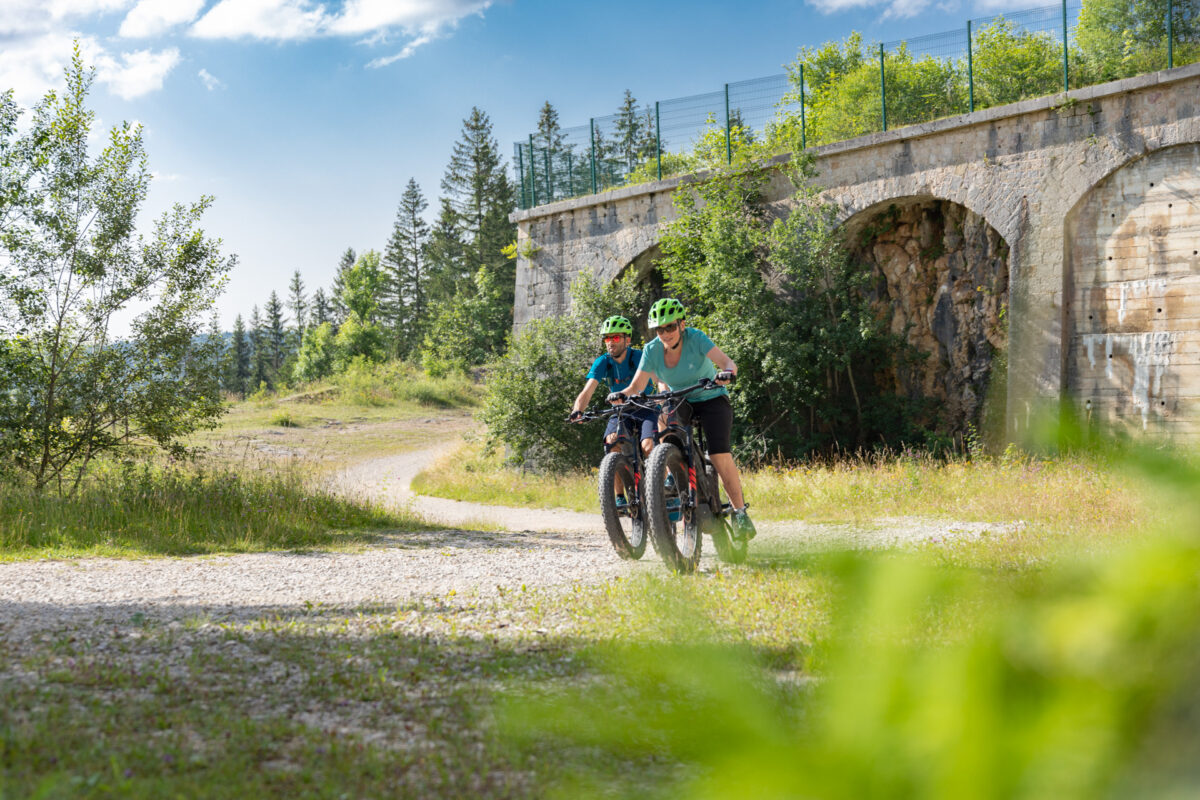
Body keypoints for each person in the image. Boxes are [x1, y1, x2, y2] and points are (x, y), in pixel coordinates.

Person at [606, 298, 757, 540]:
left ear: (682, 325)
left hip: (711, 396)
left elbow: (728, 363)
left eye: (670, 327)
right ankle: (671, 470)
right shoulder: (652, 350)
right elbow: (637, 385)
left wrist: (727, 373)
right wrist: (622, 395)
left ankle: (740, 512)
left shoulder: (696, 338)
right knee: (665, 425)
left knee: (719, 453)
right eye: (660, 329)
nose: (665, 334)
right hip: (679, 399)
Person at [569, 315, 658, 459]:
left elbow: (658, 380)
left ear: (627, 340)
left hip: (647, 409)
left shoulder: (638, 357)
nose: (610, 342)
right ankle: (618, 479)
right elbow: (587, 391)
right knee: (611, 444)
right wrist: (577, 410)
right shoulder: (603, 362)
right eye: (607, 338)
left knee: (648, 447)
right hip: (621, 411)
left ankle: (663, 479)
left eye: (615, 338)